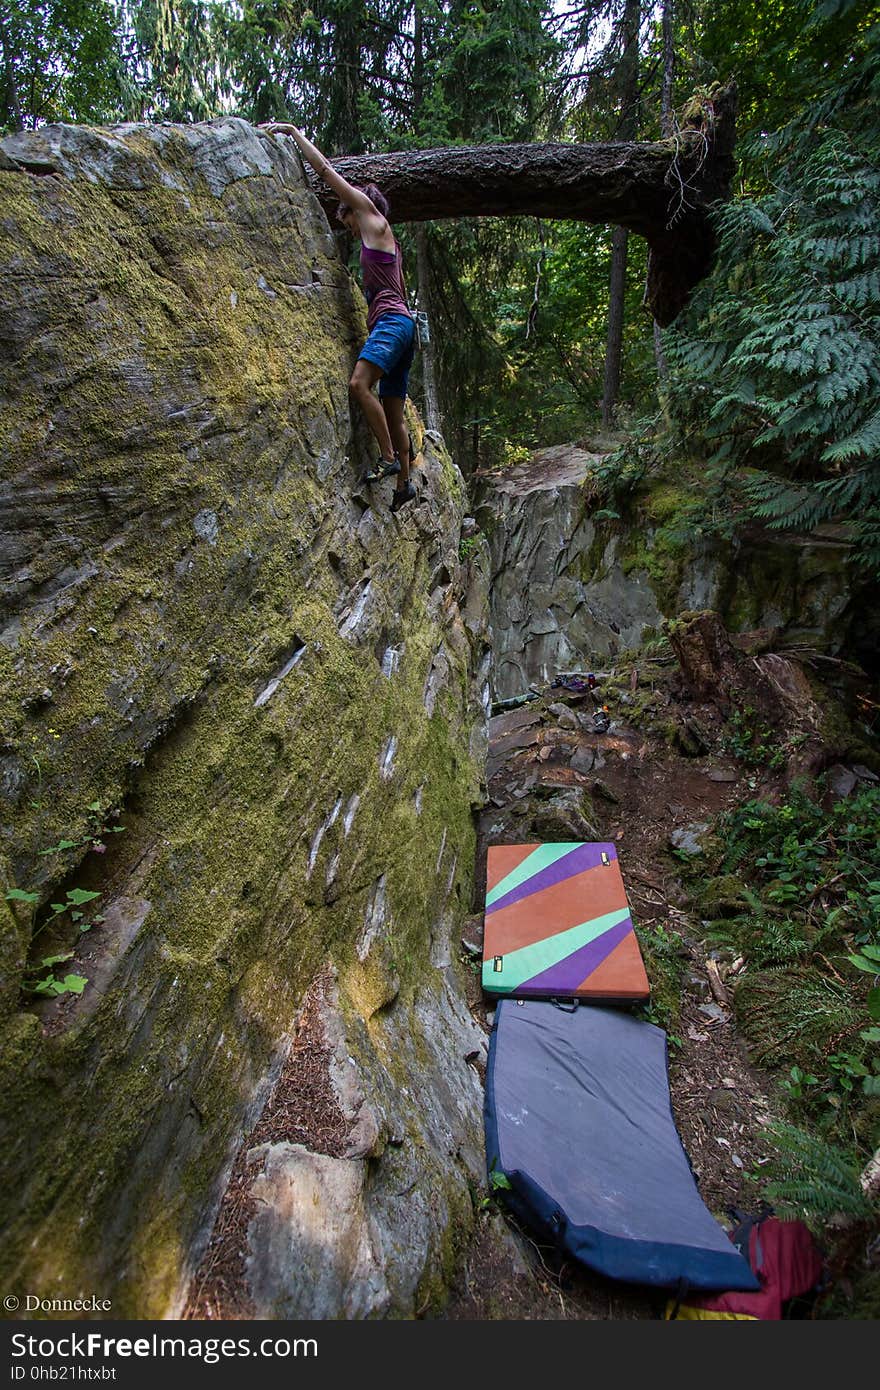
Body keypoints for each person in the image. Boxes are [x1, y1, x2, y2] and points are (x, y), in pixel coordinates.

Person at [260, 121, 417, 513]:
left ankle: (388, 459)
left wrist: (293, 133)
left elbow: (328, 174)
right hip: (404, 326)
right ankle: (405, 485)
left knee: (359, 386)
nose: (347, 228)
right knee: (394, 409)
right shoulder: (389, 242)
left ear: (358, 209)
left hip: (392, 325)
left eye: (345, 221)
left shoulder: (371, 217)